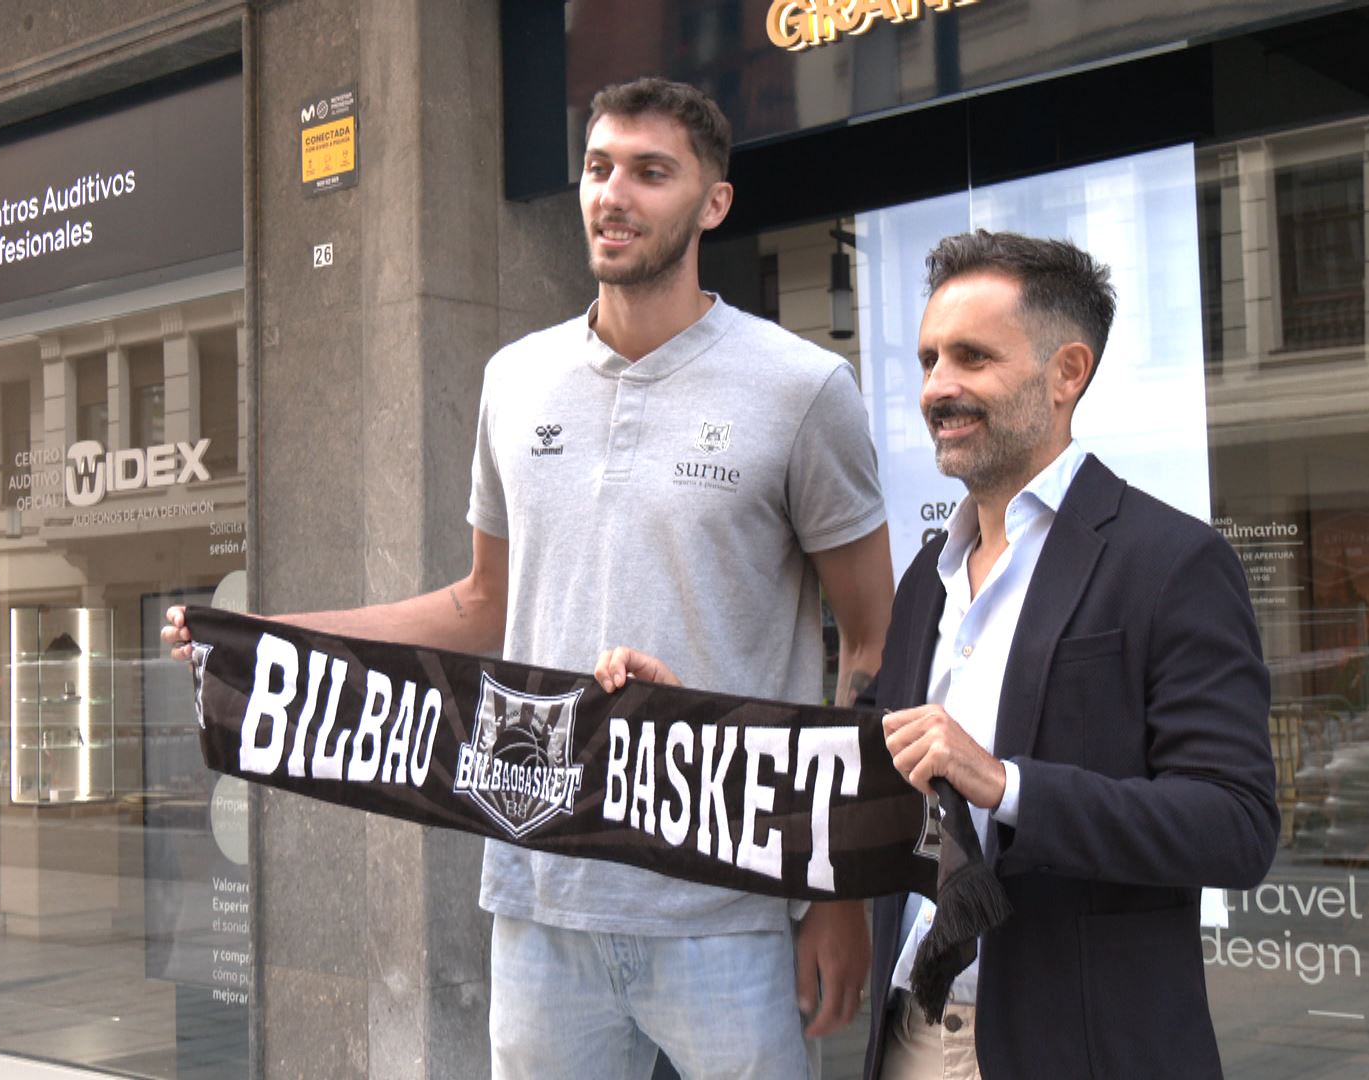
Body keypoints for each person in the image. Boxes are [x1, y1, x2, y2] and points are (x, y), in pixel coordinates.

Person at [165, 78, 893, 1078]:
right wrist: (273, 643)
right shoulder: (515, 379)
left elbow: (871, 641)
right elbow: (481, 605)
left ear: (713, 203)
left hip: (728, 903)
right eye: (599, 168)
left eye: (651, 172)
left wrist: (841, 892)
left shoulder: (802, 389)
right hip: (540, 892)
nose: (614, 195)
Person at [864, 230, 1278, 1078]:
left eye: (973, 357)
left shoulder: (1172, 561)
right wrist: (681, 711)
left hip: (1077, 1048)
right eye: (929, 359)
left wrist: (1005, 784)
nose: (937, 387)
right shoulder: (925, 579)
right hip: (913, 1034)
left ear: (1067, 373)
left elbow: (1235, 825)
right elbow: (863, 768)